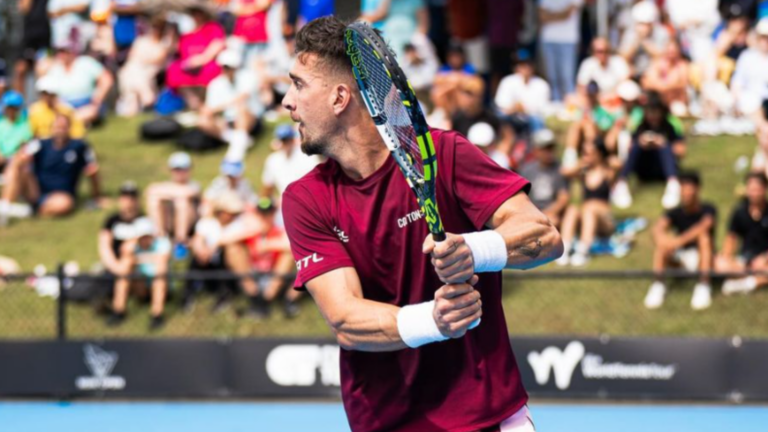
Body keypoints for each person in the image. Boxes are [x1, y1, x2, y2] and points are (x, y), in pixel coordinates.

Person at [280, 17, 562, 432]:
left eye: (298, 84)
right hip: (387, 422)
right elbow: (345, 317)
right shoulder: (306, 199)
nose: (287, 100)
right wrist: (435, 320)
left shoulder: (445, 154)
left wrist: (475, 250)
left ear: (340, 97)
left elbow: (544, 237)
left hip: (490, 417)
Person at [0, 114, 104, 224]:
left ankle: (29, 211)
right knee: (16, 164)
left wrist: (96, 196)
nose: (59, 131)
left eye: (63, 127)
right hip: (36, 190)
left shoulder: (79, 146)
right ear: (51, 129)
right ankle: (4, 208)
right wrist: (23, 157)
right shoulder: (41, 144)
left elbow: (92, 170)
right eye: (57, 127)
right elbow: (21, 156)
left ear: (69, 128)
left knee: (64, 204)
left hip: (61, 194)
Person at [644, 172, 716, 310]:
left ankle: (703, 285)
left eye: (689, 188)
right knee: (663, 242)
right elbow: (657, 228)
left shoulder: (708, 209)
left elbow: (703, 227)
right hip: (681, 258)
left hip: (703, 257)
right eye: (683, 188)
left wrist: (678, 241)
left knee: (704, 238)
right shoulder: (674, 212)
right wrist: (663, 240)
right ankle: (658, 284)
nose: (686, 193)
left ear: (697, 189)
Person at [184, 191, 262, 315]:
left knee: (231, 251)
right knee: (195, 260)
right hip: (208, 266)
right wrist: (201, 251)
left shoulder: (239, 224)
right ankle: (188, 296)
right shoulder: (207, 223)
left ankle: (227, 295)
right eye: (230, 212)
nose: (233, 215)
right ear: (221, 211)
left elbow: (255, 228)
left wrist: (215, 245)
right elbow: (198, 239)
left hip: (227, 269)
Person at [612, 92, 683, 210]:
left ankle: (673, 184)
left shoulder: (669, 127)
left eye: (655, 112)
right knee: (636, 146)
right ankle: (622, 183)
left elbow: (681, 151)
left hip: (662, 169)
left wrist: (663, 143)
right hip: (643, 170)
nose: (653, 116)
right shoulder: (641, 127)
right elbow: (628, 150)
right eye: (650, 112)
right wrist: (642, 143)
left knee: (664, 147)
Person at [557, 139, 615, 267]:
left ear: (599, 153)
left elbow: (618, 163)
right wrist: (580, 164)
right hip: (587, 217)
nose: (585, 156)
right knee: (573, 208)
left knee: (589, 208)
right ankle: (565, 249)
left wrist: (604, 159)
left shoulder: (608, 172)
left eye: (589, 153)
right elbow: (564, 173)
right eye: (583, 152)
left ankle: (583, 251)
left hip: (604, 220)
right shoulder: (584, 172)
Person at [198, 50, 264, 162]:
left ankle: (236, 151)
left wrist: (218, 109)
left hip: (250, 119)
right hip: (228, 121)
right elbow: (210, 109)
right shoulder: (215, 84)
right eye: (224, 67)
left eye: (229, 67)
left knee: (242, 110)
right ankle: (238, 140)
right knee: (202, 120)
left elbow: (242, 98)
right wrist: (215, 114)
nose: (226, 70)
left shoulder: (248, 76)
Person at [107, 217, 171, 330]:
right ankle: (118, 310)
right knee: (126, 267)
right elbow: (124, 263)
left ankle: (157, 315)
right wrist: (131, 248)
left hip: (159, 286)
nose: (145, 240)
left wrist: (136, 258)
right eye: (142, 237)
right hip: (140, 285)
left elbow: (162, 260)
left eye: (147, 236)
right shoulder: (132, 246)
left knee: (160, 275)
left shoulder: (163, 242)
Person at [245, 197, 299, 317]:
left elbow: (293, 246)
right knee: (234, 250)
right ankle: (255, 298)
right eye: (262, 214)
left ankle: (264, 301)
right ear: (257, 214)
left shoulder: (279, 230)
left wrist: (268, 245)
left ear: (273, 214)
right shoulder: (249, 229)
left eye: (268, 213)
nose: (265, 217)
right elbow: (222, 240)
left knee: (288, 255)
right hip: (252, 273)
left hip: (273, 276)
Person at [165, 4, 226, 109]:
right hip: (189, 66)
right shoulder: (187, 32)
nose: (195, 16)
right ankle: (194, 103)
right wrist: (170, 34)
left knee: (212, 70)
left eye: (198, 13)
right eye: (193, 13)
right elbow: (175, 50)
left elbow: (218, 44)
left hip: (206, 64)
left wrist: (201, 59)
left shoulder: (212, 27)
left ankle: (207, 105)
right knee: (174, 69)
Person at [716, 173, 768, 294]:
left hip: (764, 261)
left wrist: (764, 258)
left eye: (757, 189)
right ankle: (753, 280)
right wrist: (727, 258)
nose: (754, 193)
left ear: (764, 189)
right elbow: (731, 239)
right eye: (751, 190)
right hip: (744, 260)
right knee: (719, 263)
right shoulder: (740, 212)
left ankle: (747, 284)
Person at [42, 41, 114, 125]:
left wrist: (98, 96)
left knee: (91, 112)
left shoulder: (85, 62)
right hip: (63, 106)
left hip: (87, 103)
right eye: (58, 52)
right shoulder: (55, 68)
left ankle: (69, 123)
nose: (61, 55)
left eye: (63, 51)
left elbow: (106, 79)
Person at [98, 181, 144, 308]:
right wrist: (117, 268)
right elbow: (104, 247)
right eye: (125, 196)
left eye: (132, 197)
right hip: (115, 267)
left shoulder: (144, 221)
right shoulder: (111, 221)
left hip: (137, 268)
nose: (128, 200)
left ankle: (119, 309)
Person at [116, 16, 173, 117]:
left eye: (159, 28)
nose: (155, 30)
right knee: (130, 72)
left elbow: (158, 59)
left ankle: (141, 102)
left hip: (152, 69)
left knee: (133, 74)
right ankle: (146, 100)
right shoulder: (141, 40)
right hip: (135, 67)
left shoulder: (164, 43)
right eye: (154, 27)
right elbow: (132, 56)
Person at [145, 152, 201, 246]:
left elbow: (186, 194)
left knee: (182, 203)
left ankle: (181, 240)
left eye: (183, 169)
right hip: (169, 221)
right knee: (154, 200)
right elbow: (150, 190)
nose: (180, 173)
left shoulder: (194, 185)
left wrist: (169, 193)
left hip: (191, 223)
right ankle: (160, 237)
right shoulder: (166, 185)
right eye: (177, 169)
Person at [519, 129, 570, 230]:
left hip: (551, 213)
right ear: (536, 150)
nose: (549, 152)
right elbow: (521, 197)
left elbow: (563, 198)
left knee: (553, 220)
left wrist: (546, 213)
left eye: (551, 148)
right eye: (545, 148)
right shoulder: (526, 170)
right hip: (531, 211)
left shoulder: (559, 169)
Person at [494, 49, 551, 133]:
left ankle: (537, 144)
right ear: (515, 67)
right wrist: (515, 108)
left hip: (531, 119)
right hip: (511, 117)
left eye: (528, 64)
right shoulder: (507, 81)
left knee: (537, 120)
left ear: (533, 66)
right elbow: (501, 104)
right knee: (500, 117)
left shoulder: (542, 84)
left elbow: (543, 109)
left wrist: (523, 108)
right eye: (521, 64)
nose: (525, 67)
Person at [538, 0, 583, 102]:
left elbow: (568, 14)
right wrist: (560, 15)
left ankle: (570, 108)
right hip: (548, 39)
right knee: (551, 77)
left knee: (567, 77)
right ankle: (555, 106)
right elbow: (542, 16)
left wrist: (551, 16)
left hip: (568, 40)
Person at [261, 124, 320, 198]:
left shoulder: (307, 155)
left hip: (309, 197)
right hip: (287, 200)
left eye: (287, 140)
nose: (286, 143)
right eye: (283, 140)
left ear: (292, 139)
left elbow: (316, 180)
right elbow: (267, 187)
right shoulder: (272, 160)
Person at [618, 1, 669, 80]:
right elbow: (623, 56)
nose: (643, 27)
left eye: (646, 24)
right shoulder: (630, 33)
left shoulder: (661, 33)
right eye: (641, 23)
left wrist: (645, 42)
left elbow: (663, 56)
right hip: (634, 73)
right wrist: (637, 42)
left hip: (655, 74)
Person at [730, 18, 768, 118]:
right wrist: (736, 102)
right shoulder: (747, 56)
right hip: (749, 101)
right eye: (763, 37)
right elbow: (737, 83)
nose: (765, 41)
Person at [642, 39, 690, 116]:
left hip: (674, 102)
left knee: (679, 110)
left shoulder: (682, 65)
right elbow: (646, 83)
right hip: (657, 101)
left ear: (678, 51)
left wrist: (660, 85)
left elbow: (682, 84)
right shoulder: (657, 62)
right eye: (669, 51)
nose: (671, 54)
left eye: (673, 52)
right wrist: (665, 86)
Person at [12, 0, 51, 96]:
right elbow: (23, 8)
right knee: (20, 70)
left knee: (42, 71)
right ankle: (18, 105)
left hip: (45, 40)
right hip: (28, 39)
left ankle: (42, 105)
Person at [0, 92, 33, 172]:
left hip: (16, 160)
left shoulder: (25, 123)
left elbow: (24, 145)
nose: (12, 110)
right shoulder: (1, 123)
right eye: (9, 107)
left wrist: (12, 157)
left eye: (14, 108)